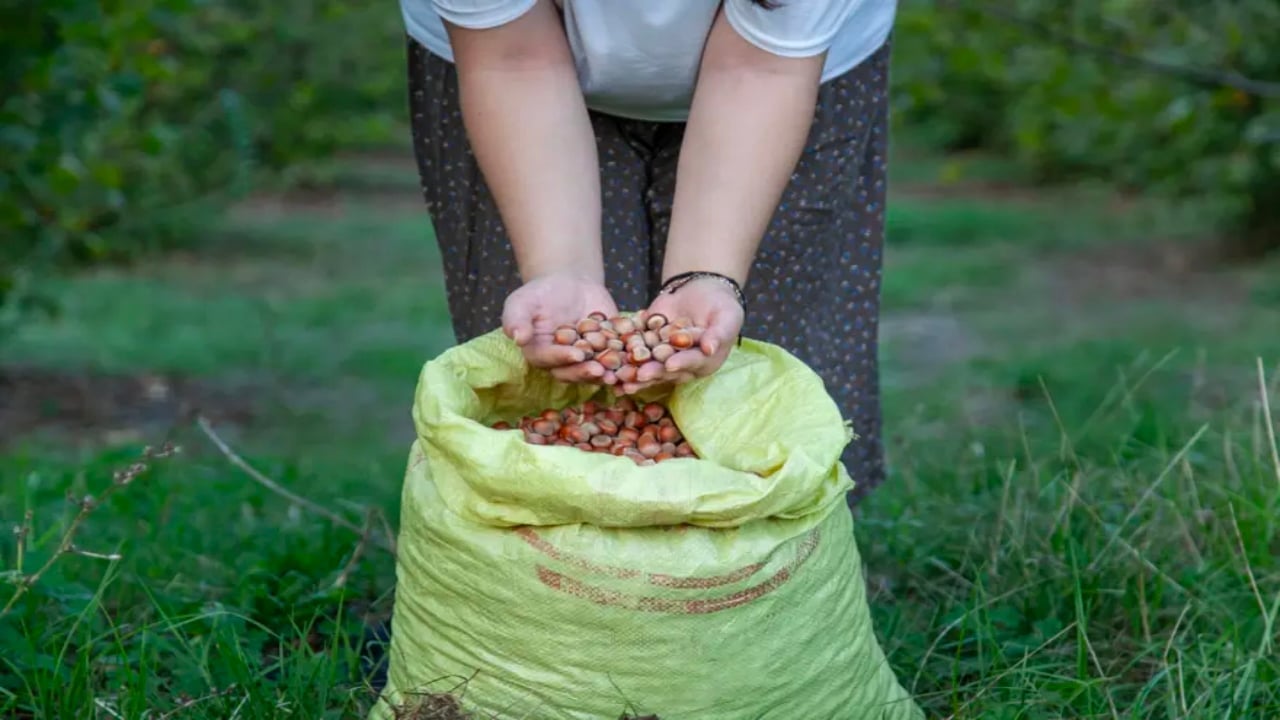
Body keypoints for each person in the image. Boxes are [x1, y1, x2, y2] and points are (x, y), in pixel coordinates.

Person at [403, 0, 897, 506]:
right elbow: (513, 60)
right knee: (550, 373)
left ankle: (770, 548)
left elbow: (759, 69)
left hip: (785, 75)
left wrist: (708, 275)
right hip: (510, 73)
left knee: (763, 368)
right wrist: (561, 268)